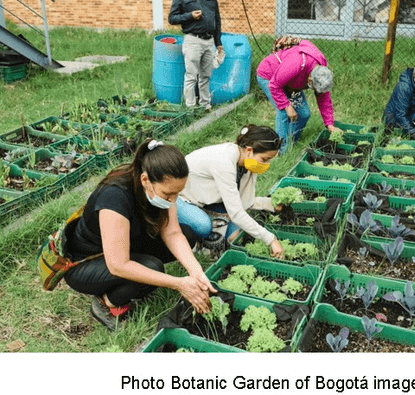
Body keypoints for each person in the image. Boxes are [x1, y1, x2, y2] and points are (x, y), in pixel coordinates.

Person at [63, 139, 216, 331]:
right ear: (146, 180)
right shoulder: (114, 197)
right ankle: (106, 302)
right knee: (154, 268)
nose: (173, 200)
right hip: (85, 262)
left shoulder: (158, 185)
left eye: (178, 193)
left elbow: (173, 232)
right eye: (168, 195)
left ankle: (139, 279)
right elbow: (118, 265)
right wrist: (178, 284)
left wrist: (196, 271)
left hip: (125, 244)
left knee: (187, 234)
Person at [177, 124, 286, 258]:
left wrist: (271, 204)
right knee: (202, 226)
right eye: (265, 159)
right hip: (182, 198)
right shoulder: (224, 162)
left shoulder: (247, 162)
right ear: (249, 150)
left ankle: (211, 224)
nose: (266, 164)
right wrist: (271, 239)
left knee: (235, 236)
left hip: (209, 199)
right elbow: (236, 213)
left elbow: (244, 201)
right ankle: (192, 239)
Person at [256, 37, 342, 151]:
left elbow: (324, 99)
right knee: (283, 113)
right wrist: (287, 106)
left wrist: (330, 125)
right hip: (269, 76)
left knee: (304, 114)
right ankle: (281, 150)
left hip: (290, 83)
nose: (316, 92)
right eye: (314, 88)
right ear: (310, 80)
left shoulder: (322, 73)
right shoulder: (296, 63)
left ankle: (291, 142)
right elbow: (274, 85)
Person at [168, 0, 223, 113]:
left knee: (206, 76)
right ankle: (190, 108)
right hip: (193, 40)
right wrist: (190, 16)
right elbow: (172, 18)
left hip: (209, 41)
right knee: (191, 76)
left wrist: (218, 41)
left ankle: (206, 106)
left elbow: (217, 18)